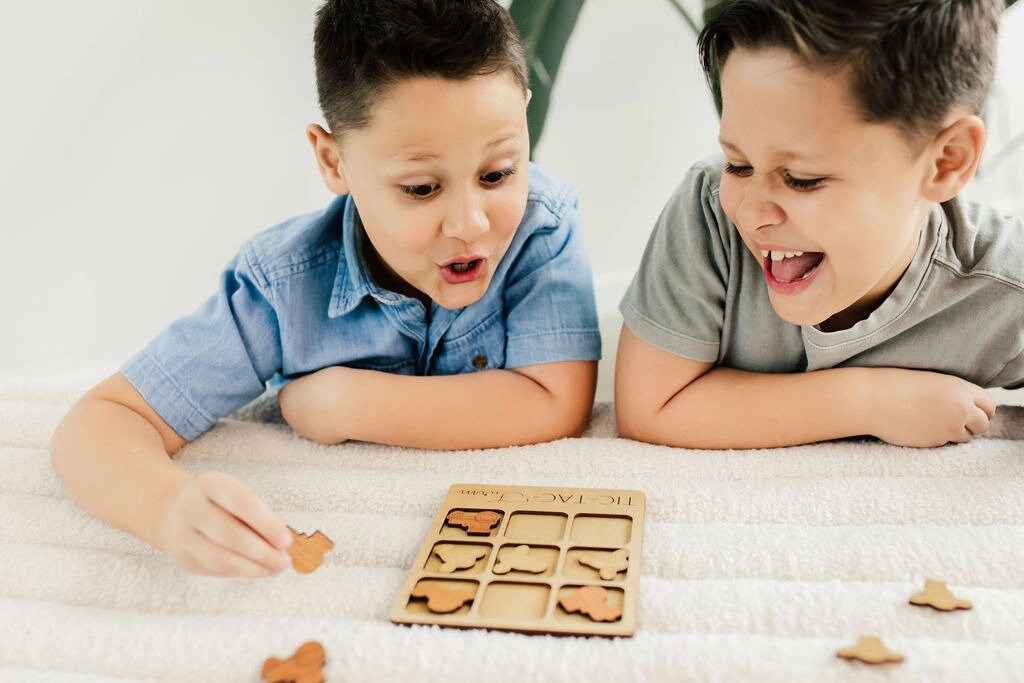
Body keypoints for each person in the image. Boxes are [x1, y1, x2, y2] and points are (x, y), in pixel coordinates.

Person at [50, 0, 601, 578]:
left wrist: (345, 403)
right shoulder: (281, 285)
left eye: (498, 174)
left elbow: (557, 401)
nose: (470, 224)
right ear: (332, 160)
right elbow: (100, 421)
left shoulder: (543, 224)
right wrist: (165, 508)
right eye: (420, 188)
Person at [616, 0, 1022, 449]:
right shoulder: (710, 213)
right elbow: (649, 408)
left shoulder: (1005, 284)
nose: (750, 213)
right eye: (738, 165)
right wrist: (874, 401)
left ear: (947, 162)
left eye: (802, 180)